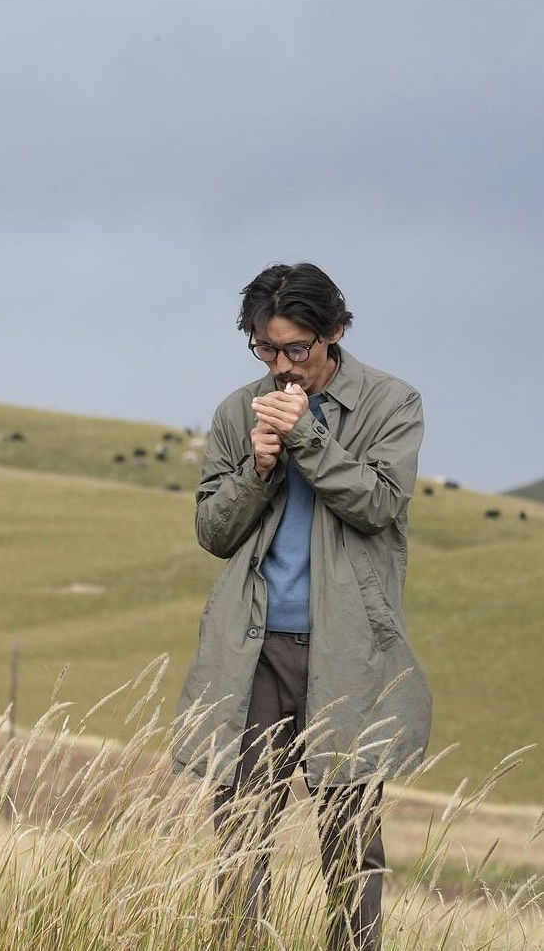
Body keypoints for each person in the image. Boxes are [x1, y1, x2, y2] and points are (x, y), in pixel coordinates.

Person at [171, 263, 430, 950]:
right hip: (254, 652)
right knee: (242, 834)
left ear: (335, 332)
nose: (282, 367)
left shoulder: (392, 403)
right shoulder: (239, 410)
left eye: (296, 349)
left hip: (348, 652)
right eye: (265, 348)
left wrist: (307, 438)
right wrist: (257, 471)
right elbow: (212, 533)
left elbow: (378, 505)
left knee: (349, 841)